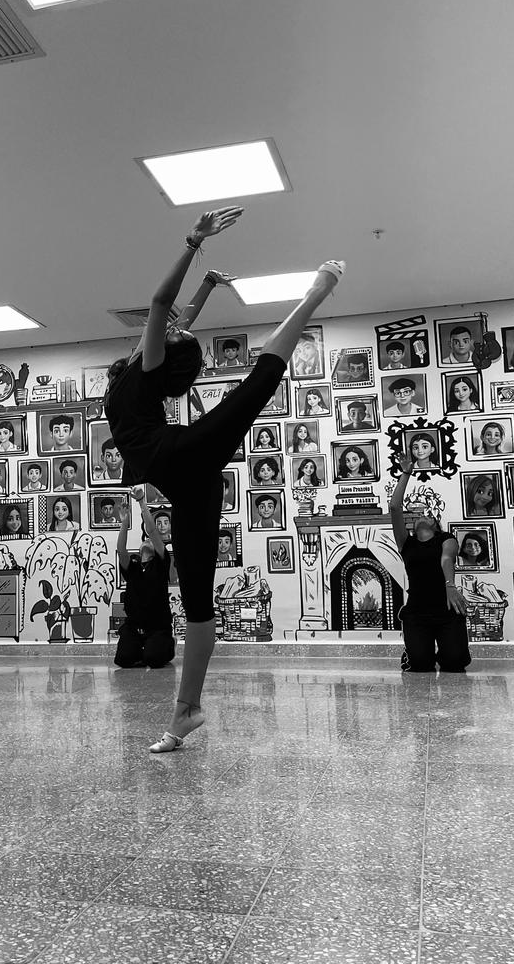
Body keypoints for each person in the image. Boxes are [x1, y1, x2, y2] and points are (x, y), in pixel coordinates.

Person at [104, 205, 342, 751]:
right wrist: (208, 284)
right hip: (187, 480)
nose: (171, 328)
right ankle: (187, 710)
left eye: (171, 334)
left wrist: (193, 241)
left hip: (183, 458)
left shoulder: (145, 370)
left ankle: (315, 293)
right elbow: (178, 316)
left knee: (258, 384)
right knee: (197, 601)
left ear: (163, 352)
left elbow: (162, 306)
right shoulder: (142, 367)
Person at [390, 454, 470, 672]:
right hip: (417, 613)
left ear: (436, 524)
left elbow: (447, 558)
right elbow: (395, 508)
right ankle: (415, 650)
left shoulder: (446, 539)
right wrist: (406, 473)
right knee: (420, 664)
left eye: (428, 515)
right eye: (418, 516)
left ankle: (450, 649)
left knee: (454, 663)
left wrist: (450, 585)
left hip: (447, 610)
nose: (422, 516)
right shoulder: (406, 543)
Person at [114, 487, 175, 669]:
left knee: (153, 660)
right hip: (134, 627)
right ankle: (143, 648)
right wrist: (124, 522)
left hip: (158, 627)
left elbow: (153, 531)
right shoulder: (132, 568)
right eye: (144, 541)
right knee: (124, 660)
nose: (147, 541)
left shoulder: (161, 564)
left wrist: (141, 502)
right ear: (139, 551)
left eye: (150, 541)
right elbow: (121, 550)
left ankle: (166, 644)